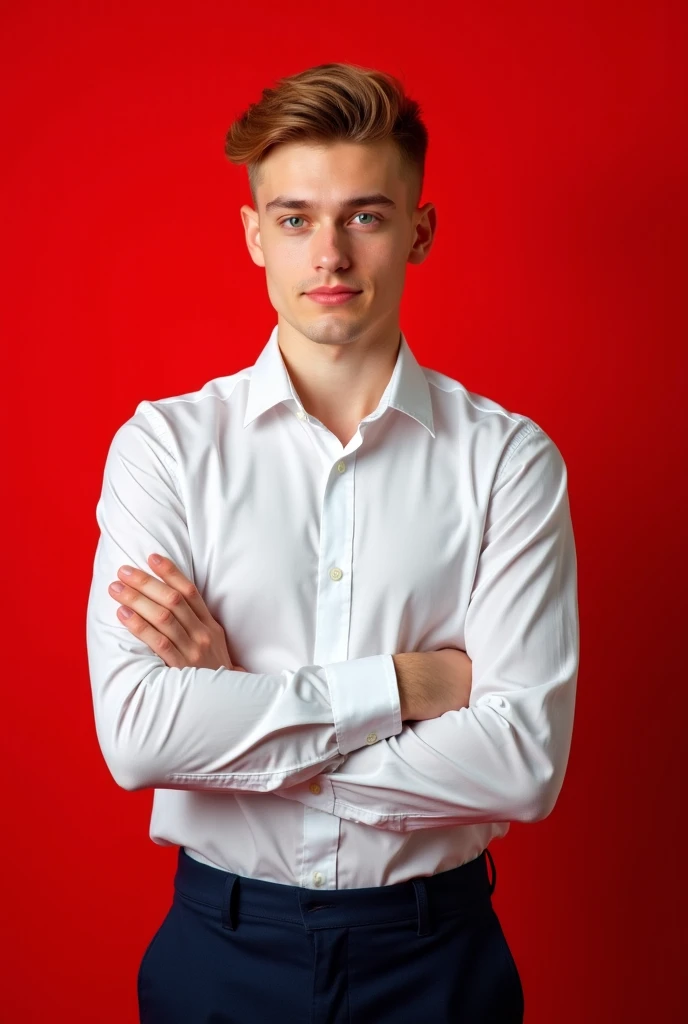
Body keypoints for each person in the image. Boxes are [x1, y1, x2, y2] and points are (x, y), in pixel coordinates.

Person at [86, 61, 579, 1024]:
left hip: (437, 961)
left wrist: (238, 718)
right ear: (254, 236)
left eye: (366, 215)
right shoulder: (165, 449)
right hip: (219, 953)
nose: (331, 257)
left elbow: (522, 763)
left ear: (419, 231)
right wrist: (405, 687)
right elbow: (140, 736)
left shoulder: (510, 462)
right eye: (296, 218)